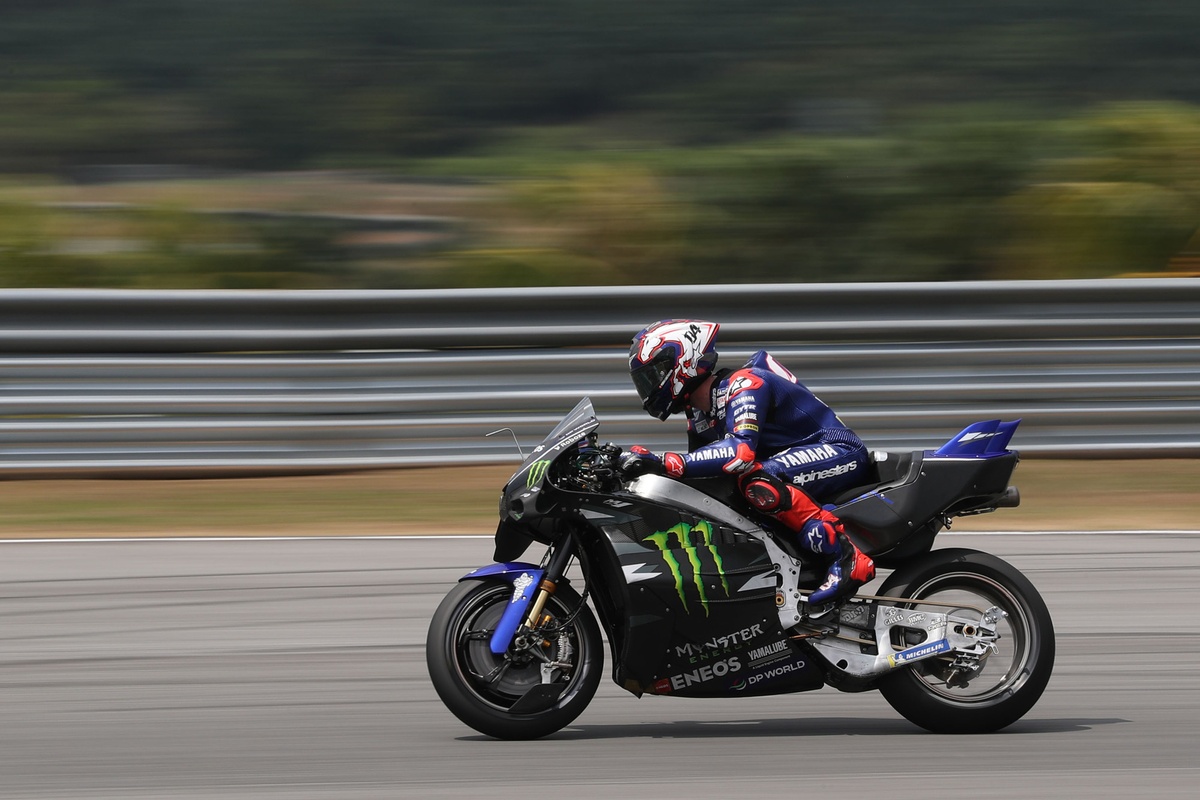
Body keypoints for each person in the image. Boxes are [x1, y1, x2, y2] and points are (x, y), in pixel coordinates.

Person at [621, 318, 875, 606]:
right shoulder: (699, 415)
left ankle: (846, 557)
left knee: (758, 480)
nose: (649, 386)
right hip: (793, 463)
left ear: (683, 361)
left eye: (653, 375)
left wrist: (662, 461)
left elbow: (739, 452)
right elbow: (701, 477)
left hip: (837, 450)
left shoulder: (745, 384)